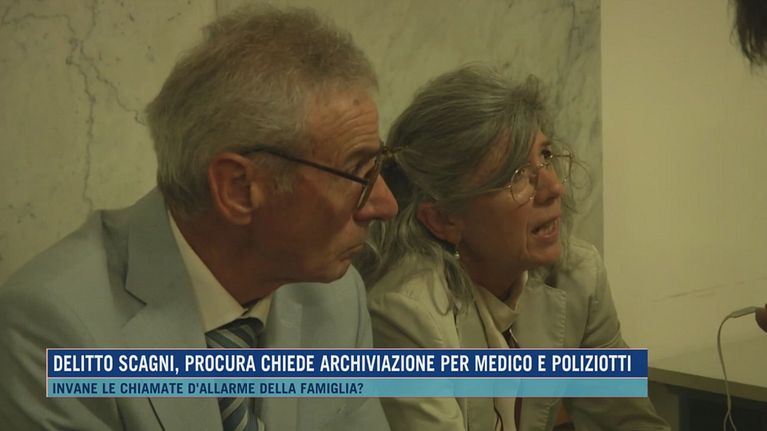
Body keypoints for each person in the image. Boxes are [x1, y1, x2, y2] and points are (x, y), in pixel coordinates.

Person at [0, 6, 396, 431]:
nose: (386, 204)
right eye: (358, 172)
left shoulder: (336, 296)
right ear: (237, 189)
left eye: (379, 166)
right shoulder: (53, 330)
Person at [358, 64, 670, 431]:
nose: (554, 187)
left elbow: (628, 421)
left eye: (546, 156)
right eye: (516, 175)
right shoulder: (405, 311)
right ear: (443, 218)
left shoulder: (577, 275)